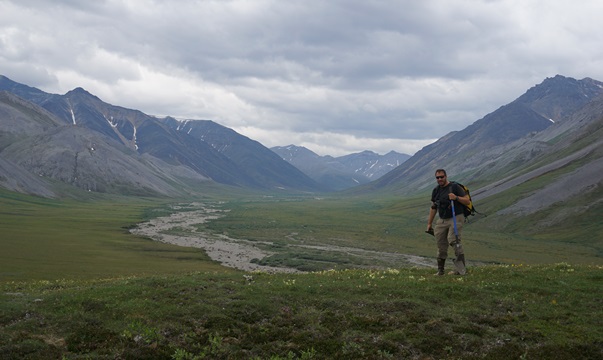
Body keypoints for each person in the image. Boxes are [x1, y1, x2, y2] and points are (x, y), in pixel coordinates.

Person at [426, 169, 470, 275]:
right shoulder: (436, 190)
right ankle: (440, 270)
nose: (440, 179)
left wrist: (456, 197)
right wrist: (429, 223)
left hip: (456, 217)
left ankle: (460, 270)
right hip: (442, 219)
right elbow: (433, 207)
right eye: (437, 177)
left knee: (454, 240)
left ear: (446, 176)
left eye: (442, 177)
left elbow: (467, 201)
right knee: (440, 243)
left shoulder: (454, 187)